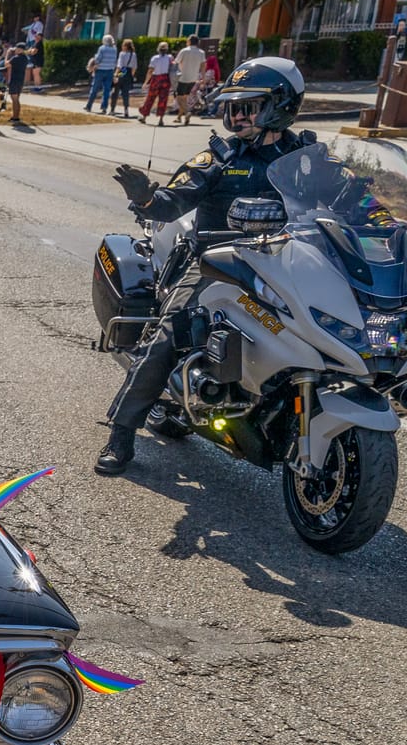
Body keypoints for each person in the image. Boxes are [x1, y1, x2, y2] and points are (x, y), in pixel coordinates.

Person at [96, 58, 315, 476]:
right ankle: (121, 435)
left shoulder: (307, 157)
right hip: (217, 263)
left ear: (281, 106)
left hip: (289, 263)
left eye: (249, 106)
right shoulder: (219, 155)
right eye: (234, 107)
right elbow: (175, 199)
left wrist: (382, 221)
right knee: (168, 335)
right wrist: (146, 198)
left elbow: (355, 202)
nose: (238, 116)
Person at [173, 37, 205, 126]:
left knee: (179, 98)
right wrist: (203, 77)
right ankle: (179, 117)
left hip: (183, 77)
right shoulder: (201, 52)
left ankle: (187, 112)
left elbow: (176, 62)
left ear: (189, 42)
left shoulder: (184, 51)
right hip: (193, 78)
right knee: (185, 98)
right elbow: (203, 65)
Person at [140, 41, 173, 124]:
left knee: (150, 98)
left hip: (156, 79)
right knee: (163, 99)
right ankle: (161, 119)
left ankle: (144, 117)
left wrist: (145, 82)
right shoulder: (169, 58)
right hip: (165, 79)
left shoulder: (155, 58)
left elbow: (150, 70)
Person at [84, 34, 116, 113]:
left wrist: (93, 62)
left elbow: (98, 59)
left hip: (100, 70)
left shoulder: (102, 48)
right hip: (110, 70)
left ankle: (89, 105)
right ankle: (104, 107)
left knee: (95, 88)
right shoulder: (114, 49)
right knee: (107, 90)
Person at [110, 39, 137, 118]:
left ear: (125, 46)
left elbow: (120, 65)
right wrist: (131, 76)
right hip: (128, 73)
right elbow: (134, 67)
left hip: (122, 71)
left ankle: (112, 109)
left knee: (115, 91)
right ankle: (126, 110)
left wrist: (116, 75)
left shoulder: (122, 54)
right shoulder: (133, 54)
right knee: (126, 93)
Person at [5, 43, 29, 124]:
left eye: (17, 49)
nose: (15, 50)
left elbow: (6, 64)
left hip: (14, 80)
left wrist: (7, 54)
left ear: (21, 49)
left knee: (14, 99)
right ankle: (16, 116)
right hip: (20, 80)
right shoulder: (25, 58)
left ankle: (15, 117)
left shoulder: (16, 58)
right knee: (17, 99)